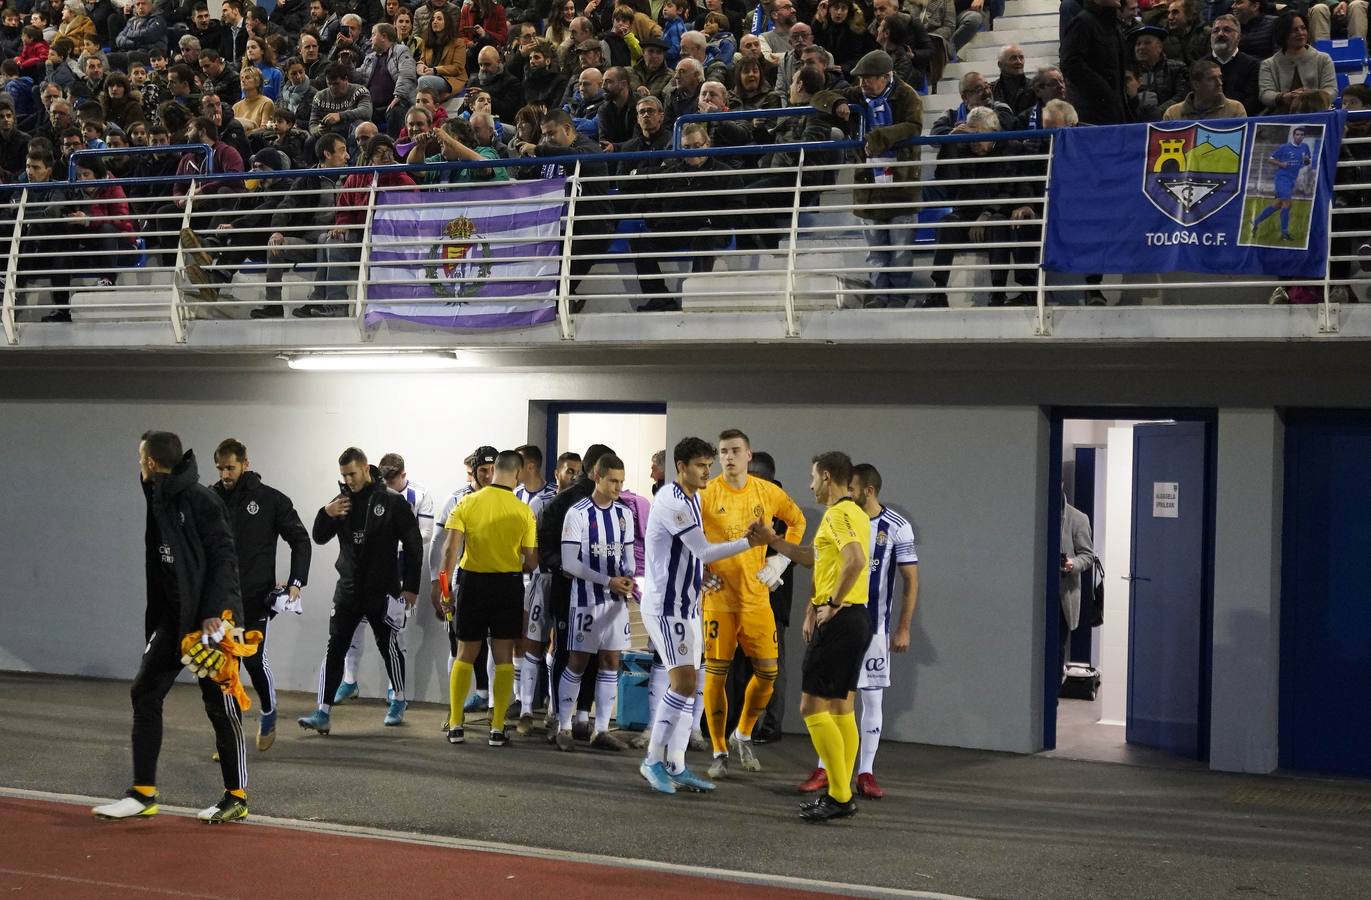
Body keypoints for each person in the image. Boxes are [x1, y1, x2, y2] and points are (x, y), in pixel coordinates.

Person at [90, 431, 248, 824]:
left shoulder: (200, 499)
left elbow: (225, 557)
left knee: (220, 705)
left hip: (209, 623)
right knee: (145, 691)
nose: (138, 464)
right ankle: (143, 793)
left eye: (139, 457)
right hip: (172, 620)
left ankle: (237, 796)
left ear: (148, 461)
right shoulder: (158, 494)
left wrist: (217, 612)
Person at [637, 437, 764, 795]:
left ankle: (676, 765)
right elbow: (704, 549)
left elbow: (688, 554)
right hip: (666, 607)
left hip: (687, 604)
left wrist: (699, 577)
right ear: (681, 467)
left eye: (709, 465)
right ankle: (652, 761)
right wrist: (750, 542)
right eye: (700, 466)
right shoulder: (670, 500)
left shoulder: (693, 497)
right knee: (683, 685)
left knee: (690, 688)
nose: (708, 471)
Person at [754, 451, 870, 822]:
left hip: (841, 621)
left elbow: (854, 560)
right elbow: (812, 557)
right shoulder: (854, 514)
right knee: (841, 709)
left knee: (811, 708)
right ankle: (842, 792)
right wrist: (774, 541)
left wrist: (832, 603)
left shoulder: (838, 514)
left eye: (812, 477)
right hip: (856, 620)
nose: (810, 485)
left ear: (825, 476)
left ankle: (838, 795)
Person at [799, 463, 917, 800]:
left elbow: (910, 580)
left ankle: (864, 772)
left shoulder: (896, 526)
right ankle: (829, 771)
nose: (845, 491)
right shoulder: (845, 517)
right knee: (835, 701)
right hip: (841, 621)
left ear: (867, 490)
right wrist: (812, 607)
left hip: (873, 626)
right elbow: (824, 565)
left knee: (865, 700)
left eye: (851, 486)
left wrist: (904, 628)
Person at [700, 429, 806, 779]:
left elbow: (798, 522)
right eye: (723, 451)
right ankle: (719, 751)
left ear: (748, 455)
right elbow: (683, 540)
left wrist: (779, 561)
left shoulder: (768, 492)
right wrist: (698, 572)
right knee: (717, 675)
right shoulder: (706, 494)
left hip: (757, 599)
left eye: (735, 450)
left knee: (768, 673)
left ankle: (743, 733)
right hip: (718, 600)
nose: (728, 457)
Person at [298, 447, 422, 734]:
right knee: (334, 648)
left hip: (383, 589)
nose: (348, 479)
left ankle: (399, 700)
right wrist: (325, 513)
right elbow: (318, 536)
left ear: (366, 468)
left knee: (388, 645)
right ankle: (323, 711)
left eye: (352, 473)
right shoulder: (340, 502)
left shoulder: (392, 502)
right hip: (349, 589)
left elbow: (414, 546)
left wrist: (411, 588)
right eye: (343, 475)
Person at [211, 438, 310, 753]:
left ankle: (268, 711)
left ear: (245, 463)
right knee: (227, 667)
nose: (226, 474)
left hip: (255, 597)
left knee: (252, 661)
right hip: (220, 599)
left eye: (231, 467)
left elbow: (300, 540)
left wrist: (296, 581)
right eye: (221, 468)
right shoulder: (210, 499)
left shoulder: (270, 500)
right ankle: (231, 738)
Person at [439, 449, 538, 747]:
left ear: (493, 470)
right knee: (504, 655)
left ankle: (456, 724)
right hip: (508, 584)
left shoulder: (467, 502)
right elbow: (531, 561)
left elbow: (448, 553)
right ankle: (497, 728)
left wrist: (446, 592)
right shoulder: (523, 510)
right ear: (518, 473)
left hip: (472, 584)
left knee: (465, 652)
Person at [811, 50, 923, 309]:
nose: (863, 84)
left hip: (901, 184)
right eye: (861, 79)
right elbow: (819, 96)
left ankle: (897, 295)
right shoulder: (857, 95)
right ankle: (879, 293)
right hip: (869, 184)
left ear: (886, 77)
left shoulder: (907, 95)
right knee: (876, 248)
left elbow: (913, 126)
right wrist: (838, 102)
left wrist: (880, 137)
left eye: (869, 79)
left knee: (901, 248)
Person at [332, 451, 434, 706]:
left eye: (393, 479)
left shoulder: (419, 496)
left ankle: (394, 690)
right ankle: (349, 680)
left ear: (403, 475)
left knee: (396, 633)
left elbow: (423, 536)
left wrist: (387, 541)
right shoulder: (370, 495)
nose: (388, 484)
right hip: (367, 572)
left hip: (396, 571)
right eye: (385, 479)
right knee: (353, 629)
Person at [554, 453, 636, 751]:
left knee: (611, 662)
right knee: (577, 662)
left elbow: (626, 557)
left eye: (621, 481)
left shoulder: (624, 514)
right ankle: (563, 726)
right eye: (613, 480)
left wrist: (628, 577)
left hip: (615, 602)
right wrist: (607, 581)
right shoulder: (577, 513)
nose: (618, 487)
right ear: (597, 477)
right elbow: (568, 564)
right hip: (586, 601)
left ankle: (601, 730)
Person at [1062, 0, 1129, 126]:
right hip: (1092, 115)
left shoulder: (1114, 25)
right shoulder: (1083, 22)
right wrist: (1104, 91)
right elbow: (1071, 63)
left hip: (1115, 112)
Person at [1258, 12, 1336, 114]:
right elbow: (1265, 94)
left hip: (1318, 113)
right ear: (1283, 34)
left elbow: (1332, 90)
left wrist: (1312, 97)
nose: (1301, 33)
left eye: (1303, 28)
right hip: (1282, 116)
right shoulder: (1268, 64)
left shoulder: (1323, 59)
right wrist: (1283, 97)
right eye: (1294, 30)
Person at [1249, 126, 1314, 243]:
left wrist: (1306, 160)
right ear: (1293, 136)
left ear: (1304, 137)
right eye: (1297, 134)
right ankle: (1284, 233)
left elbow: (1308, 161)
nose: (1299, 136)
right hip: (1282, 178)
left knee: (1279, 205)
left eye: (1301, 135)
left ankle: (1255, 222)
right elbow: (1270, 159)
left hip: (1292, 179)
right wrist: (1281, 164)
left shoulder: (1305, 147)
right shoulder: (1285, 147)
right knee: (1287, 204)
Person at [1059, 490, 1096, 678]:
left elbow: (1088, 556)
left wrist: (1071, 564)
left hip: (1061, 596)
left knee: (1056, 651)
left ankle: (1053, 698)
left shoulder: (1078, 518)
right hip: (1034, 595)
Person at [1208, 14, 1261, 117]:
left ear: (1238, 37)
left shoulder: (1253, 65)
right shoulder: (1201, 66)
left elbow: (1252, 102)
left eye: (1227, 30)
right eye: (1215, 31)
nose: (1220, 34)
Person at [1163, 59, 1246, 120]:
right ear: (1196, 85)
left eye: (1220, 77)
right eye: (1212, 79)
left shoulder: (1235, 109)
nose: (1220, 83)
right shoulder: (1173, 114)